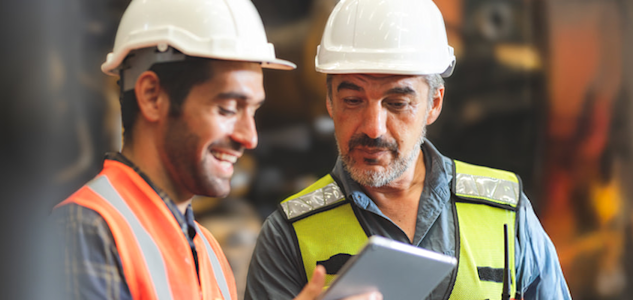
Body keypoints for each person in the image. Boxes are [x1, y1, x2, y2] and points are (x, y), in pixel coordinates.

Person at [52, 0, 382, 299]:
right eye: (227, 109)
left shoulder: (208, 252)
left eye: (252, 111)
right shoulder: (85, 230)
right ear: (152, 96)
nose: (249, 137)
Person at [244, 0, 572, 299]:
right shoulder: (288, 236)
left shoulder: (505, 213)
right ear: (330, 102)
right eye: (353, 100)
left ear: (434, 104)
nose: (373, 127)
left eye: (398, 103)